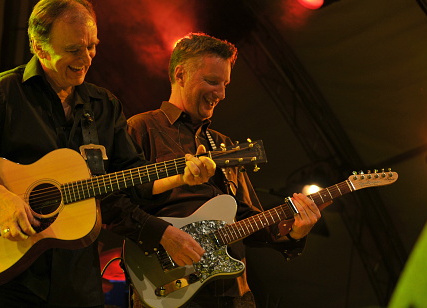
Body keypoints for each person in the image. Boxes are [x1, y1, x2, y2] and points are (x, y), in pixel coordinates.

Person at [0, 0, 215, 308]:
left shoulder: (104, 106)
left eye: (92, 46)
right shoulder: (4, 92)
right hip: (7, 280)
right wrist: (0, 198)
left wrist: (179, 176)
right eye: (73, 49)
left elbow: (130, 179)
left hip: (78, 282)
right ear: (38, 47)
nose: (86, 58)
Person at [121, 33, 323, 307]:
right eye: (212, 81)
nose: (222, 94)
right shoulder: (141, 128)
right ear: (180, 74)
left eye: (225, 84)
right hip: (166, 288)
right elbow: (118, 206)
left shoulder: (224, 145)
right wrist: (164, 236)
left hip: (233, 294)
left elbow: (248, 218)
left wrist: (293, 232)